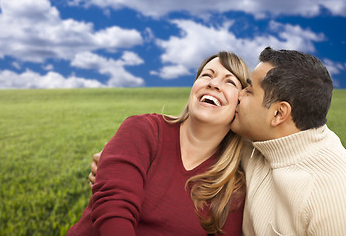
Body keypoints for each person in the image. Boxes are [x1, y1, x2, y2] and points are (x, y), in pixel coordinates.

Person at [90, 47, 346, 235]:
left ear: (279, 114)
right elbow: (114, 197)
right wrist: (115, 166)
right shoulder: (255, 145)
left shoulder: (334, 194)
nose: (216, 86)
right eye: (206, 75)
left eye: (245, 89)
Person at [67, 51, 251, 236]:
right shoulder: (143, 129)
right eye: (206, 75)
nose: (213, 83)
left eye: (229, 82)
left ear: (240, 105)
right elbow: (113, 209)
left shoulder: (231, 187)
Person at [231, 47, 346, 235]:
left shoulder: (334, 194)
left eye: (249, 90)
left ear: (278, 113)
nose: (238, 95)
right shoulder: (258, 141)